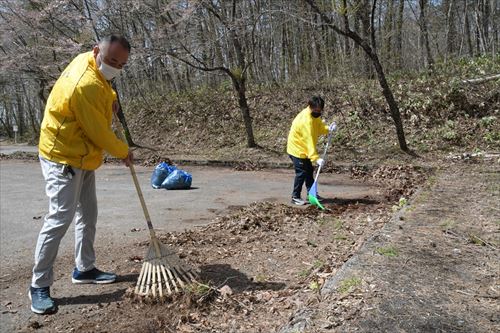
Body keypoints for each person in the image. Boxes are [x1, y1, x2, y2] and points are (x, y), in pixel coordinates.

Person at [30, 35, 133, 315]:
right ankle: (39, 284)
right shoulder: (84, 83)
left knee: (88, 212)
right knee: (60, 217)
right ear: (97, 50)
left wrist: (111, 98)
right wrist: (123, 150)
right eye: (111, 61)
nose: (114, 67)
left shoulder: (89, 63)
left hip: (83, 154)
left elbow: (104, 86)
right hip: (62, 155)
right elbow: (98, 132)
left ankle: (84, 269)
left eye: (121, 64)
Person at [286, 96, 336, 205]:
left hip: (304, 149)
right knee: (301, 173)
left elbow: (318, 127)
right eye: (316, 110)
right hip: (297, 149)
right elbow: (309, 141)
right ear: (310, 106)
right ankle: (295, 197)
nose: (318, 112)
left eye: (319, 110)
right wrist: (316, 158)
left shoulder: (314, 116)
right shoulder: (306, 121)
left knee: (309, 171)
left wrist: (328, 129)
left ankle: (311, 195)